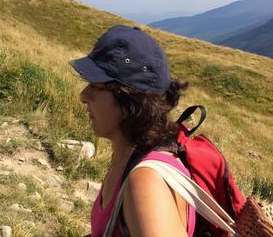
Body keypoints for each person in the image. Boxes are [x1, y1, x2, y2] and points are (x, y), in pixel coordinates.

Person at [70, 25, 196, 237]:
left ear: (130, 101)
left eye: (96, 87)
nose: (83, 96)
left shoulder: (147, 181)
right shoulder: (127, 156)